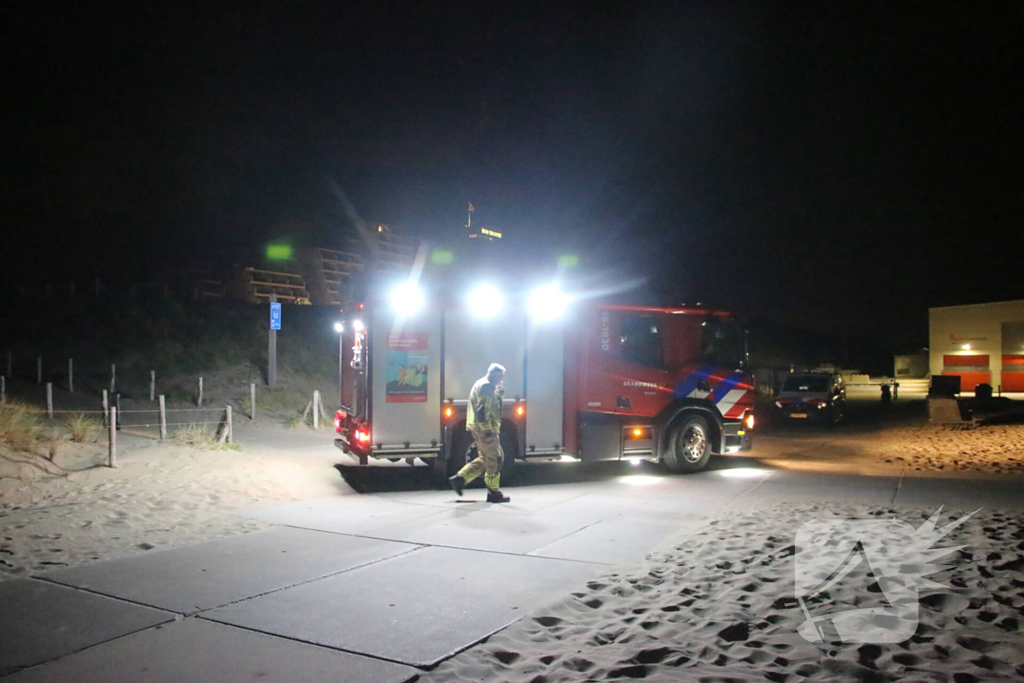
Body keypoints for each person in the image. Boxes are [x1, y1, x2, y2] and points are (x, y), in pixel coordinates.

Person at [449, 363, 510, 503]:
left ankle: (460, 478)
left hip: (479, 428)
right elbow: (482, 411)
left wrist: (500, 392)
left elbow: (490, 403)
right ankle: (493, 493)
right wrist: (488, 430)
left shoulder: (483, 384)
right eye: (500, 377)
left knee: (486, 458)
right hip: (485, 429)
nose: (501, 380)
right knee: (494, 459)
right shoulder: (487, 387)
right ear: (494, 375)